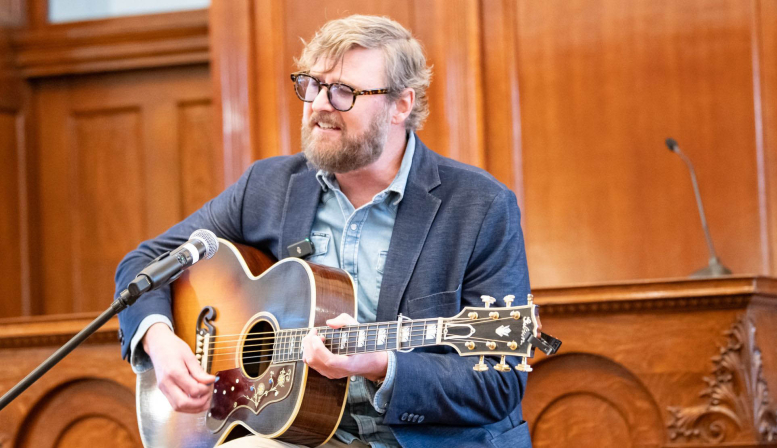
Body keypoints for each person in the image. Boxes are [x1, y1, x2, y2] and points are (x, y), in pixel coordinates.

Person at [115, 14, 534, 448]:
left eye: (344, 92)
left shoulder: (479, 206)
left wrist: (380, 364)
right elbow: (145, 264)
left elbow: (498, 380)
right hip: (308, 436)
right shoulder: (269, 186)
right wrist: (159, 340)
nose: (319, 104)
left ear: (401, 105)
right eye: (311, 85)